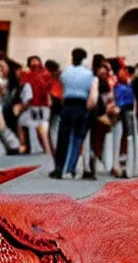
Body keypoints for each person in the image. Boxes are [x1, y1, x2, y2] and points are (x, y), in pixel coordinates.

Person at [49, 45, 91, 178]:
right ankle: (71, 167)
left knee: (63, 138)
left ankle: (58, 167)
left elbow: (62, 86)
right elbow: (89, 89)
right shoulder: (88, 73)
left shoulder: (66, 72)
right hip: (81, 105)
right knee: (78, 137)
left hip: (67, 105)